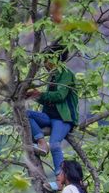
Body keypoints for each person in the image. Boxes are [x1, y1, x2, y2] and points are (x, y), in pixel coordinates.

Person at [26, 49, 78, 183]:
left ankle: (60, 181)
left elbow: (60, 96)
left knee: (55, 145)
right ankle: (42, 143)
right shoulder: (53, 76)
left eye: (46, 60)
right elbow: (48, 99)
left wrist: (39, 94)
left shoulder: (66, 74)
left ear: (55, 59)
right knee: (25, 115)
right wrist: (34, 95)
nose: (44, 64)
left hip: (63, 118)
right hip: (49, 117)